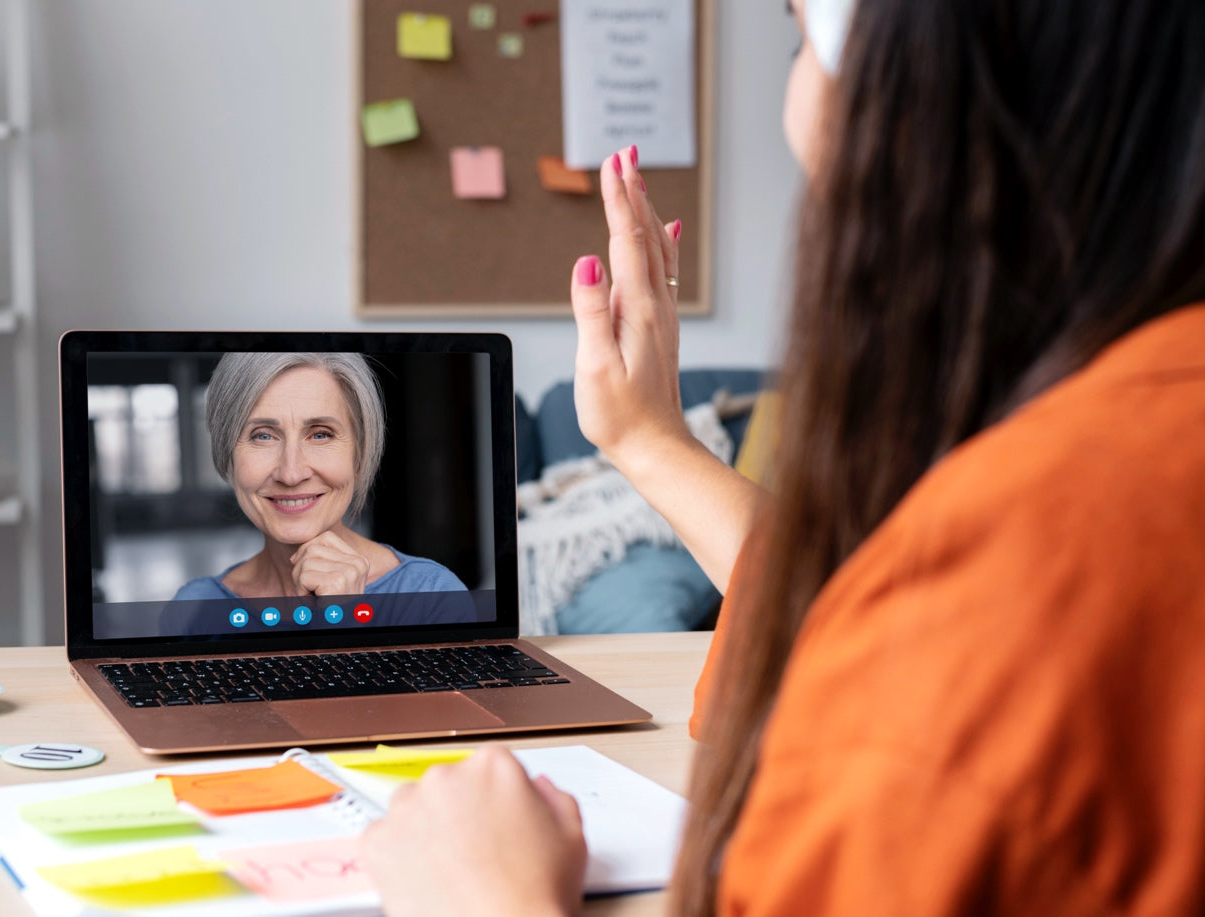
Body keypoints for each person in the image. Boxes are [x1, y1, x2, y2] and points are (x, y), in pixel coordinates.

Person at [360, 0, 1205, 914]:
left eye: (801, 39)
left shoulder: (1014, 567)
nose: (791, 109)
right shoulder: (1133, 440)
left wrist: (487, 896)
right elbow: (839, 621)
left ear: (927, 93)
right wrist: (648, 439)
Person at [171, 352, 467, 607]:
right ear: (227, 455)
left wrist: (345, 620)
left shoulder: (431, 595)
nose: (291, 474)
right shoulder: (194, 606)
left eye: (320, 434)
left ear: (360, 453)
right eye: (262, 436)